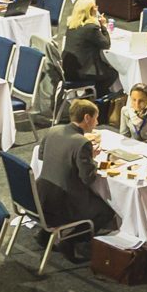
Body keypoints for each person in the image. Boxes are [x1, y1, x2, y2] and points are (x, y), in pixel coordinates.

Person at [36, 98, 119, 250]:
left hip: (41, 196)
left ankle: (45, 235)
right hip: (64, 203)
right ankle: (72, 239)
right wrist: (91, 159)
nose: (97, 122)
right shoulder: (82, 143)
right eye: (96, 117)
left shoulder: (53, 130)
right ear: (87, 118)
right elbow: (88, 179)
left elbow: (41, 156)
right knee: (106, 210)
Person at [62, 0, 117, 94]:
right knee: (113, 73)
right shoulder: (91, 28)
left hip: (68, 70)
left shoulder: (71, 24)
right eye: (95, 6)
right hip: (83, 72)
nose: (97, 8)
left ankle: (91, 93)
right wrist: (103, 26)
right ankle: (97, 97)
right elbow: (106, 44)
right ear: (90, 10)